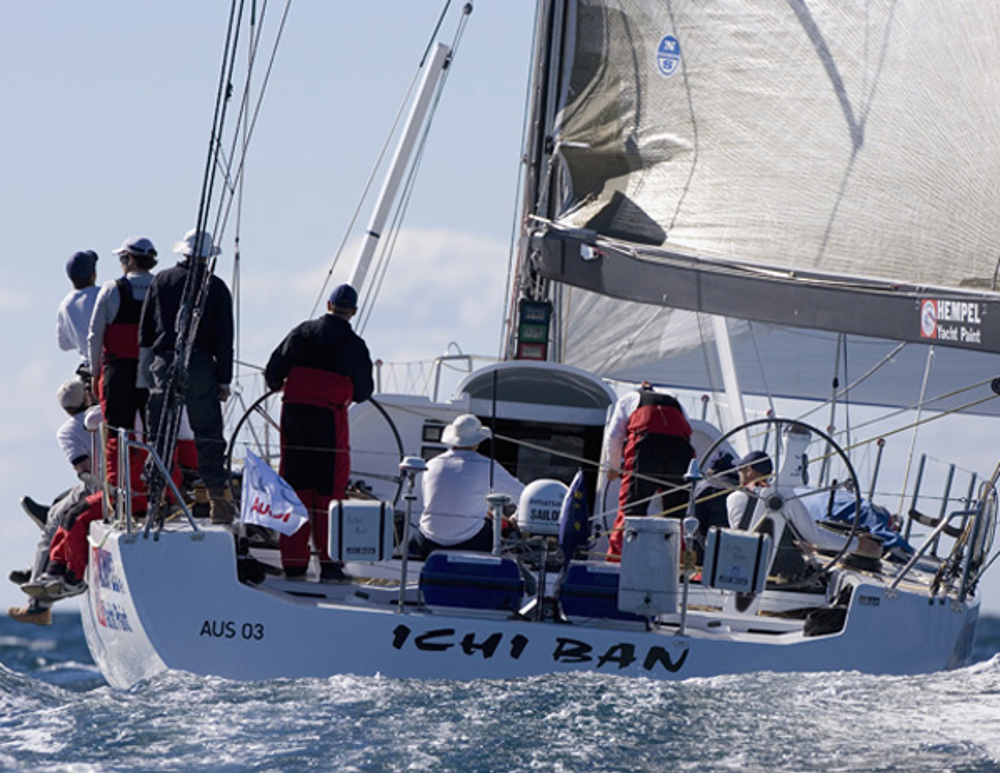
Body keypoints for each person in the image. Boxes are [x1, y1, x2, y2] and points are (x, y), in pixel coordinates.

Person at [263, 283, 374, 581]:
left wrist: (284, 385)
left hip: (294, 417)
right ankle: (329, 565)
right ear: (353, 311)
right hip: (328, 420)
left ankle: (294, 565)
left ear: (328, 305)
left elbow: (273, 373)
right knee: (329, 492)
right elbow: (363, 392)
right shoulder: (355, 345)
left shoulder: (302, 332)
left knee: (295, 487)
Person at [140, 228, 235, 523]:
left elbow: (145, 332)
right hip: (201, 366)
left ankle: (155, 502)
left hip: (163, 364)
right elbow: (224, 340)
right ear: (209, 256)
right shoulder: (216, 288)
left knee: (160, 437)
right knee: (208, 435)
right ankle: (218, 503)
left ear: (183, 251)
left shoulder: (161, 280)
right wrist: (224, 380)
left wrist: (145, 376)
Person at [8, 382, 102, 625]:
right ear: (87, 396)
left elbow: (84, 470)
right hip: (118, 483)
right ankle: (40, 560)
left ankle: (37, 605)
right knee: (62, 501)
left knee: (52, 525)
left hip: (97, 488)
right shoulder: (106, 414)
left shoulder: (67, 430)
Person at [89, 236, 158, 487]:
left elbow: (95, 336)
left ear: (130, 259)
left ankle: (119, 490)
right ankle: (161, 489)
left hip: (118, 371)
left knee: (117, 435)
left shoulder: (111, 290)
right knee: (156, 434)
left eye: (121, 258)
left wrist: (94, 371)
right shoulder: (161, 287)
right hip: (153, 372)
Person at [411, 414, 525, 559]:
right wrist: (515, 519)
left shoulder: (431, 464)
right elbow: (524, 496)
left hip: (427, 542)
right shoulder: (486, 466)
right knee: (495, 529)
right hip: (469, 542)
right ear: (478, 441)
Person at [602, 382, 695, 561]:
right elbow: (687, 431)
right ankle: (675, 562)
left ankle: (618, 559)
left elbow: (614, 435)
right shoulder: (674, 401)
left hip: (646, 448)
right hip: (680, 451)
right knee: (676, 515)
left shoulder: (629, 399)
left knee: (632, 509)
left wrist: (612, 466)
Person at [56, 250, 100, 373]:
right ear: (93, 275)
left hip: (88, 368)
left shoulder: (64, 306)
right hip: (110, 363)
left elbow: (63, 344)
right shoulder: (103, 294)